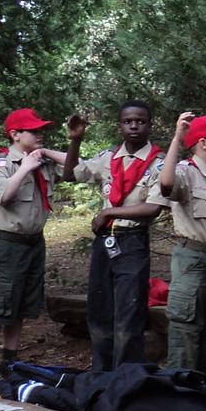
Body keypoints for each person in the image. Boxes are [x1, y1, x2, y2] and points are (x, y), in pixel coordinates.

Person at [0, 109, 83, 369]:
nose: (40, 135)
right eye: (34, 131)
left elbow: (77, 166)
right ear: (15, 134)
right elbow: (4, 196)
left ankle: (10, 362)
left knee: (21, 305)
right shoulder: (2, 165)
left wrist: (45, 152)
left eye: (41, 130)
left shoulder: (43, 162)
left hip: (34, 243)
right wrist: (25, 167)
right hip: (7, 244)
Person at [67, 101, 162, 371]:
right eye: (128, 121)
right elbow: (71, 174)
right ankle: (101, 374)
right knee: (100, 311)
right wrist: (76, 140)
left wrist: (110, 211)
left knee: (129, 314)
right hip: (105, 241)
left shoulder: (158, 162)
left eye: (140, 121)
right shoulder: (108, 158)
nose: (134, 126)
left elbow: (152, 208)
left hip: (132, 241)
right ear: (120, 125)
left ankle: (126, 376)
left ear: (150, 125)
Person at [148, 112, 206, 378]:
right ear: (203, 143)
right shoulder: (184, 172)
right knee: (185, 330)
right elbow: (166, 184)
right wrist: (177, 138)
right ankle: (180, 391)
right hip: (194, 259)